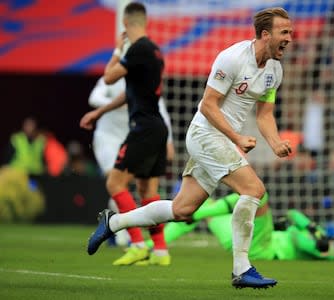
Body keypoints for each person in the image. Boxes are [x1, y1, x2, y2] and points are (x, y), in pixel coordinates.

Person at [86, 6, 294, 289]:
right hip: (205, 134)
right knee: (254, 190)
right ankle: (241, 269)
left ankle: (114, 223)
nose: (290, 38)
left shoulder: (274, 71)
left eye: (290, 32)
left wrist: (275, 142)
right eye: (285, 32)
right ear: (265, 34)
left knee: (183, 209)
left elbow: (265, 115)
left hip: (219, 139)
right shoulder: (232, 58)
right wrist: (236, 137)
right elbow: (208, 105)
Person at [80, 2, 171, 266]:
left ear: (126, 24)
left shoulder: (137, 49)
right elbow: (128, 94)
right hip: (156, 128)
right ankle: (161, 251)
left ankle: (137, 243)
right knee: (148, 191)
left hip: (142, 129)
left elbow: (108, 78)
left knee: (114, 184)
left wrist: (118, 49)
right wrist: (99, 112)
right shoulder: (155, 51)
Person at [88, 74, 175, 250]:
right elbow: (94, 98)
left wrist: (169, 141)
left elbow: (160, 110)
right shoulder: (111, 78)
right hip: (108, 138)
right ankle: (127, 235)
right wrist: (117, 104)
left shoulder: (145, 79)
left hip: (137, 137)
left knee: (145, 189)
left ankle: (148, 243)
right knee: (116, 182)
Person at [164, 193, 334, 261]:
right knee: (207, 205)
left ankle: (190, 214)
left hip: (263, 247)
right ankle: (154, 244)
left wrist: (293, 230)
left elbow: (300, 242)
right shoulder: (323, 235)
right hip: (245, 244)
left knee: (258, 194)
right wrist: (309, 225)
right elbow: (293, 214)